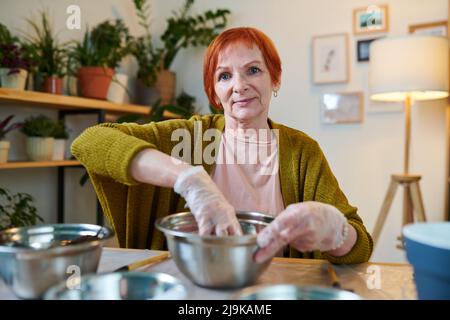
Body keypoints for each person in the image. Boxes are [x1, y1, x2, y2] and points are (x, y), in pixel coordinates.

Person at [71, 27, 373, 264]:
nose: (239, 85)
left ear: (275, 79)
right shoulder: (188, 138)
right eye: (225, 75)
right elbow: (90, 142)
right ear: (215, 93)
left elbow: (360, 247)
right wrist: (187, 179)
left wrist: (336, 232)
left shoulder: (302, 152)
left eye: (253, 70)